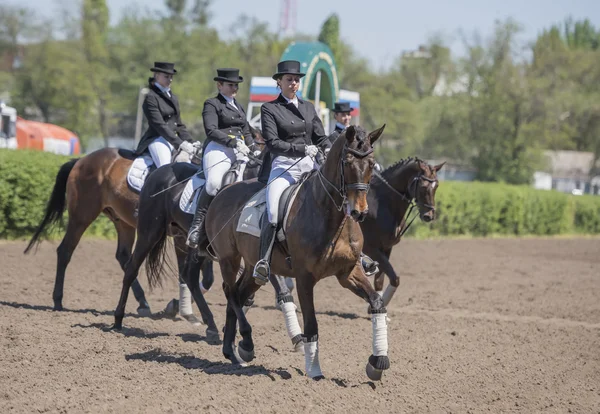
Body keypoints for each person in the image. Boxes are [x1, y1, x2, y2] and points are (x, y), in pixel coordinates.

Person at [253, 60, 379, 282]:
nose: (293, 83)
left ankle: (357, 255)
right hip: (283, 167)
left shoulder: (308, 107)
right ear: (279, 82)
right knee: (273, 211)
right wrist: (301, 148)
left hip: (310, 166)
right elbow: (272, 142)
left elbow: (320, 137)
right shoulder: (270, 109)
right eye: (289, 79)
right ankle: (264, 260)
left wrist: (329, 148)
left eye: (297, 80)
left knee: (340, 199)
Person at [186, 68, 257, 249]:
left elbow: (246, 130)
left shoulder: (238, 106)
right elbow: (211, 130)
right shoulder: (212, 104)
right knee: (214, 183)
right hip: (218, 148)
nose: (234, 88)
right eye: (230, 85)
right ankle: (197, 227)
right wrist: (232, 142)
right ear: (220, 85)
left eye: (236, 85)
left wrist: (254, 148)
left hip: (240, 149)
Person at [135, 61, 195, 167]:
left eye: (171, 77)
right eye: (166, 76)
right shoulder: (151, 97)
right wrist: (179, 143)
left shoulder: (173, 97)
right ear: (157, 75)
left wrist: (190, 141)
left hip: (173, 139)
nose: (170, 79)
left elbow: (179, 125)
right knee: (165, 167)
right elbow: (159, 125)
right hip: (157, 139)